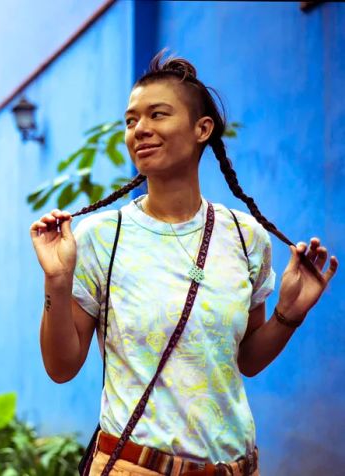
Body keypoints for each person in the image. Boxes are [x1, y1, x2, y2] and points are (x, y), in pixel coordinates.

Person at [30, 53, 338, 476]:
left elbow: (244, 359)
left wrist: (289, 314)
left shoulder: (245, 237)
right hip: (136, 467)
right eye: (131, 120)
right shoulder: (103, 236)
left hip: (235, 467)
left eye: (157, 114)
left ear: (202, 129)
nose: (140, 129)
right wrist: (58, 281)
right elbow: (61, 367)